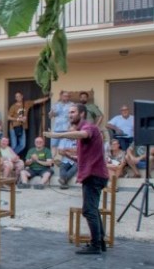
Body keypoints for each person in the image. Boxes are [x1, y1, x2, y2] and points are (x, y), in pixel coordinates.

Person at [44, 104, 109, 254]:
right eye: (69, 113)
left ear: (82, 113)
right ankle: (100, 242)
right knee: (92, 210)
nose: (70, 115)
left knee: (89, 210)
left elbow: (82, 135)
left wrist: (58, 135)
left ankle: (96, 246)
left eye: (73, 112)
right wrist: (67, 156)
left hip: (94, 176)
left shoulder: (89, 128)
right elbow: (83, 157)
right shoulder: (85, 130)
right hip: (93, 175)